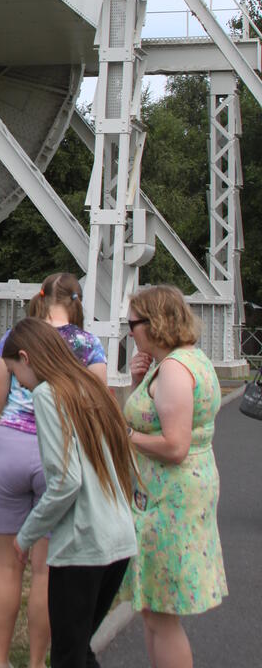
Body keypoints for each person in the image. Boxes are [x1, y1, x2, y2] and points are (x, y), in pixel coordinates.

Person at [0, 274, 106, 668]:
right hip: (58, 455)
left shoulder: (16, 337)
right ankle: (36, 661)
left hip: (9, 449)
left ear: (43, 297)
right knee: (45, 571)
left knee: (7, 563)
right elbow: (99, 405)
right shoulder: (89, 344)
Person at [3, 318, 137, 668]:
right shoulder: (88, 388)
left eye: (15, 373)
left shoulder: (48, 394)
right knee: (80, 650)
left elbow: (65, 482)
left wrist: (25, 536)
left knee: (67, 656)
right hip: (119, 540)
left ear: (26, 357)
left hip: (84, 546)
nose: (18, 383)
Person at [123, 285, 227, 668]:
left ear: (154, 324)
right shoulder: (187, 360)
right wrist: (138, 383)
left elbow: (174, 445)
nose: (129, 331)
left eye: (132, 323)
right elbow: (153, 414)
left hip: (171, 497)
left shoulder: (174, 370)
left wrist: (126, 436)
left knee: (162, 612)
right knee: (155, 608)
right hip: (177, 490)